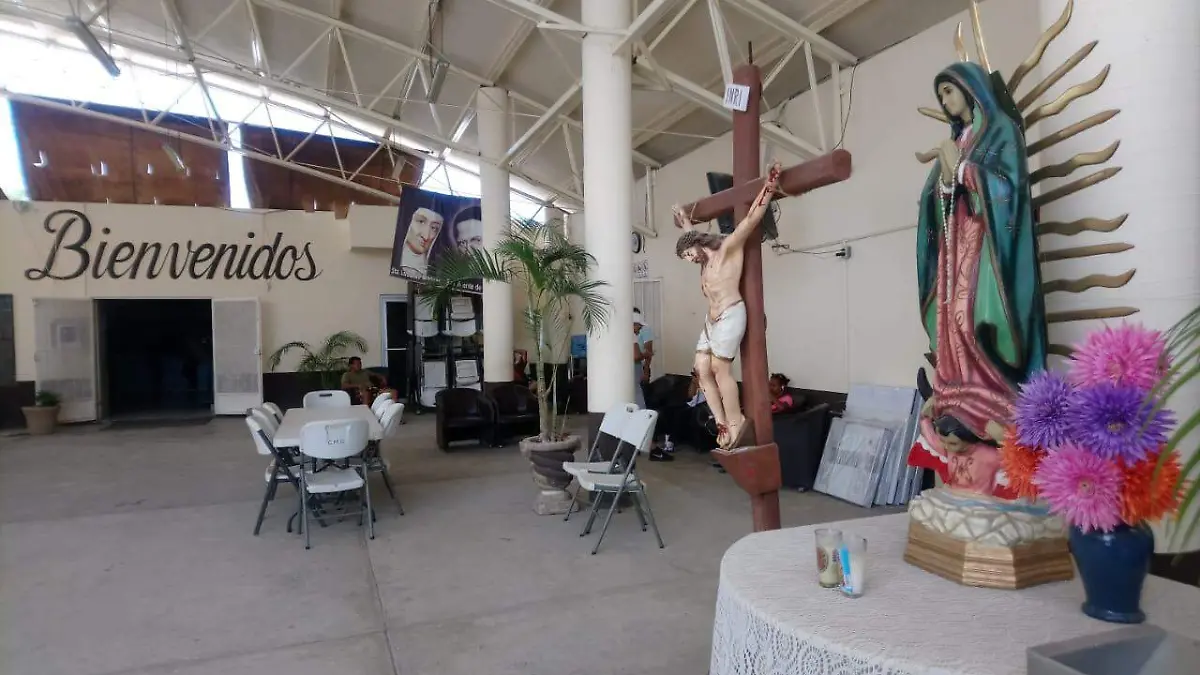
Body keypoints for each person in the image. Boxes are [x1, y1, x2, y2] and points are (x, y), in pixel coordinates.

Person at [910, 60, 1047, 498]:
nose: (945, 102)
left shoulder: (1001, 132)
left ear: (970, 90)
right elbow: (935, 200)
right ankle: (957, 387)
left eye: (949, 92)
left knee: (973, 319)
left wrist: (964, 171)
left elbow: (1008, 189)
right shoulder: (956, 141)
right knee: (952, 320)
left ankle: (989, 392)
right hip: (955, 247)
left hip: (986, 249)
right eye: (941, 96)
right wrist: (944, 181)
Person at [673, 160, 782, 449]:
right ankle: (720, 421)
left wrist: (769, 187)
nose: (691, 260)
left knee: (720, 369)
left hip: (731, 314)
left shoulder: (728, 250)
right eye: (687, 259)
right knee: (701, 369)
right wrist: (684, 218)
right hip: (711, 321)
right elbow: (689, 236)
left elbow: (750, 220)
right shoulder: (703, 262)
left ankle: (736, 421)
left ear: (698, 244)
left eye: (690, 255)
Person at [399, 207, 444, 278]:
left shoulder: (435, 271)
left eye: (434, 228)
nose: (426, 236)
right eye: (421, 222)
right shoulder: (397, 263)